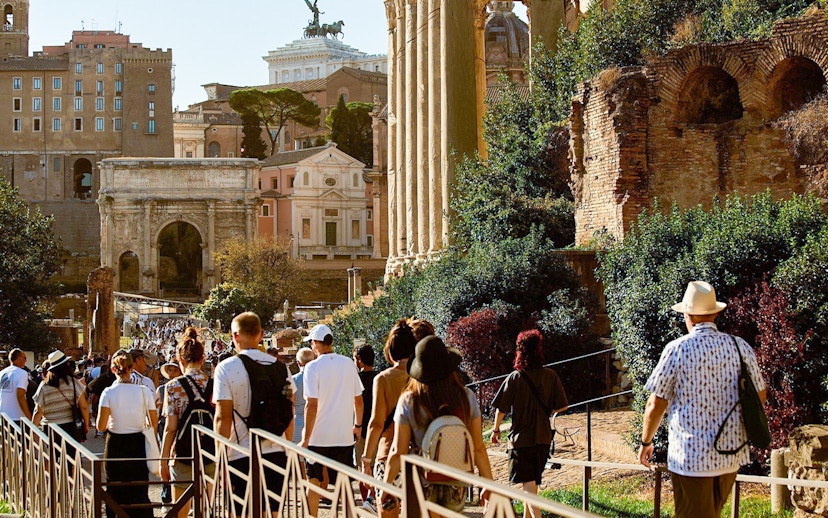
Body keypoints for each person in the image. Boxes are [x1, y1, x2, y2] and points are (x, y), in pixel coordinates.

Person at [639, 281, 767, 518]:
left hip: (691, 457)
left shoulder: (676, 349)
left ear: (687, 315)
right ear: (716, 313)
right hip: (731, 453)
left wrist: (646, 441)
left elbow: (655, 404)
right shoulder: (740, 347)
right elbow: (760, 395)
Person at [381, 335, 493, 515]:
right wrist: (488, 484)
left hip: (423, 479)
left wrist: (385, 485)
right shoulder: (466, 397)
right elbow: (478, 448)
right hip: (457, 479)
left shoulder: (410, 401)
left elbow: (397, 451)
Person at [213, 312, 295, 518]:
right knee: (273, 513)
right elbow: (289, 411)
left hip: (240, 452)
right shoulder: (281, 368)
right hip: (275, 451)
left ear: (234, 336)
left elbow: (222, 418)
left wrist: (219, 458)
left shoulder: (226, 368)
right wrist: (287, 447)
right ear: (261, 334)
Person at [491, 329, 568, 518]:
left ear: (520, 352)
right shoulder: (550, 376)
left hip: (521, 439)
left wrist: (495, 430)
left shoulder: (515, 378)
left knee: (528, 484)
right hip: (543, 439)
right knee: (532, 483)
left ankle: (537, 516)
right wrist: (548, 411)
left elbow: (501, 408)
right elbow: (563, 406)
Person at [299, 323, 363, 517]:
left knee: (314, 481)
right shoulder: (347, 363)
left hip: (318, 436)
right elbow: (358, 400)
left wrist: (306, 437)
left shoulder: (312, 367)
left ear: (317, 343)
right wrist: (357, 426)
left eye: (311, 342)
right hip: (343, 435)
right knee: (344, 483)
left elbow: (312, 404)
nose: (311, 345)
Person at [360, 319, 417, 513]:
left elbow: (376, 423)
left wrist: (366, 460)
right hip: (419, 457)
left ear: (390, 351)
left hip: (388, 454)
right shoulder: (422, 377)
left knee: (387, 510)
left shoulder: (383, 379)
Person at [160, 328, 214, 518]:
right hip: (209, 452)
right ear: (203, 359)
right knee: (206, 509)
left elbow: (170, 428)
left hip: (183, 453)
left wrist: (163, 459)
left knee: (180, 511)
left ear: (180, 361)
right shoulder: (214, 384)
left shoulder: (173, 387)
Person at [97, 349, 157, 518]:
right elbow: (153, 421)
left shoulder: (108, 393)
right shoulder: (144, 391)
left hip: (115, 443)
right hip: (137, 442)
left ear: (113, 369)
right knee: (139, 487)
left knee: (114, 488)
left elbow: (101, 426)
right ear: (131, 368)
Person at [33, 350, 90, 442]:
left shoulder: (44, 386)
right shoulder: (73, 382)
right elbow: (83, 406)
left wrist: (33, 430)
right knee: (71, 455)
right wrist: (86, 424)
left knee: (53, 455)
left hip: (50, 427)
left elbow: (38, 411)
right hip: (70, 426)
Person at [157, 360, 182, 507]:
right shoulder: (161, 389)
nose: (172, 373)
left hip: (178, 427)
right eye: (170, 370)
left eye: (175, 370)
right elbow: (158, 412)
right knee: (165, 459)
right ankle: (166, 496)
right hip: (163, 427)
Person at [0, 348, 32, 422]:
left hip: (3, 416)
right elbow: (20, 395)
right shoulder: (22, 373)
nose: (26, 361)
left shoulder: (2, 373)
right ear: (19, 359)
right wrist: (29, 417)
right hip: (17, 417)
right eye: (25, 358)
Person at [292, 347, 315, 443]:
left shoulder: (293, 380)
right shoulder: (319, 378)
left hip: (297, 424)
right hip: (315, 424)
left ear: (298, 363)